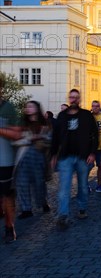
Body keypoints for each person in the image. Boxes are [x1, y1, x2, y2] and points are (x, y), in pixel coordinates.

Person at [51, 89, 98, 230]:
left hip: (83, 156)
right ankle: (63, 215)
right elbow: (55, 137)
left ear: (80, 99)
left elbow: (94, 135)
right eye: (71, 97)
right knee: (64, 187)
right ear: (69, 98)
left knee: (83, 186)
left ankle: (82, 208)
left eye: (76, 97)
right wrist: (53, 154)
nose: (73, 99)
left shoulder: (86, 115)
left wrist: (93, 153)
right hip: (65, 157)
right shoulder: (62, 116)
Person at [15, 101, 51, 218]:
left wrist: (40, 137)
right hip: (23, 157)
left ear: (37, 109)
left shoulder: (44, 124)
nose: (28, 109)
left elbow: (49, 140)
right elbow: (16, 139)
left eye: (31, 106)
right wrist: (28, 139)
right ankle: (26, 209)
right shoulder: (22, 123)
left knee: (39, 183)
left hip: (38, 158)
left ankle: (43, 203)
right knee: (22, 183)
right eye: (27, 107)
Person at [0, 74, 22, 243]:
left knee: (7, 196)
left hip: (4, 161)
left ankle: (9, 227)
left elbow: (16, 134)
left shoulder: (8, 108)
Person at [90, 100, 101, 193]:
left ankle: (99, 185)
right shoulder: (88, 117)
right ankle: (85, 185)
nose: (95, 108)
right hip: (90, 148)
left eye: (97, 106)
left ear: (100, 107)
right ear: (91, 107)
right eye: (94, 106)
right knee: (87, 167)